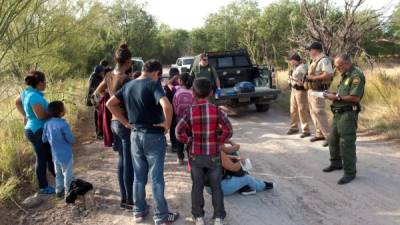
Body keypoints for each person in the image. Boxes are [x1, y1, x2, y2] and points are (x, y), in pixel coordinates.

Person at [107, 59, 179, 225]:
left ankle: (138, 212)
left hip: (135, 135)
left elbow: (110, 104)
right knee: (156, 178)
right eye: (158, 76)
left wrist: (125, 122)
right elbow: (167, 106)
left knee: (139, 176)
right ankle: (161, 216)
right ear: (156, 73)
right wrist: (167, 125)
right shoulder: (153, 85)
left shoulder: (129, 85)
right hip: (153, 136)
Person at [176, 78, 233, 225]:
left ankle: (199, 217)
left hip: (196, 155)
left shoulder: (189, 111)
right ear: (211, 93)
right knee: (216, 186)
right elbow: (228, 130)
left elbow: (178, 131)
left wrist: (188, 141)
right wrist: (219, 141)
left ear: (193, 93)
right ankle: (219, 217)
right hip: (213, 155)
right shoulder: (217, 110)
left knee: (197, 185)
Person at [95, 44, 134, 210]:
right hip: (124, 122)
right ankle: (130, 200)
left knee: (121, 160)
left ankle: (124, 199)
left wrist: (102, 107)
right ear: (129, 61)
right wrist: (126, 120)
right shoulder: (127, 80)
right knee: (129, 163)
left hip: (113, 122)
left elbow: (96, 94)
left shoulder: (109, 75)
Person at [323, 54, 365, 185]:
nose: (337, 68)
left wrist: (336, 98)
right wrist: (332, 94)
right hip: (338, 113)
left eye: (339, 66)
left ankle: (350, 172)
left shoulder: (356, 75)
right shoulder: (344, 74)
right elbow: (342, 93)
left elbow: (355, 97)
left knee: (346, 143)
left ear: (346, 63)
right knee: (332, 139)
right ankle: (336, 163)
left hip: (348, 115)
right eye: (336, 66)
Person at [15, 71, 56, 194]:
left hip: (34, 129)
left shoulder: (27, 92)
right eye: (45, 82)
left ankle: (60, 179)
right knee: (42, 158)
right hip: (37, 130)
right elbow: (41, 116)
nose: (46, 84)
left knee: (48, 156)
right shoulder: (34, 96)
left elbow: (17, 102)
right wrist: (55, 112)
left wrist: (26, 116)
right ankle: (43, 187)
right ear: (40, 83)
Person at [42, 101, 76, 198]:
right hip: (66, 154)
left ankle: (58, 190)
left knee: (58, 173)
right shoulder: (63, 124)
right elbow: (71, 139)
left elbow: (43, 139)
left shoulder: (47, 124)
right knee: (67, 174)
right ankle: (68, 193)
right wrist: (73, 141)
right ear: (61, 113)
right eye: (63, 108)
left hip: (55, 155)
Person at [305, 42, 334, 147]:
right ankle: (319, 134)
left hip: (318, 90)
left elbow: (329, 74)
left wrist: (313, 78)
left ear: (315, 50)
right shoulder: (314, 60)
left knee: (319, 112)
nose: (309, 52)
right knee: (313, 112)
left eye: (310, 50)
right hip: (311, 90)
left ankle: (329, 137)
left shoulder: (324, 60)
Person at [286, 53, 311, 138]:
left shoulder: (303, 67)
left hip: (300, 91)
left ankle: (306, 130)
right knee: (293, 109)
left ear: (295, 60)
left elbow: (308, 76)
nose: (290, 62)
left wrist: (303, 82)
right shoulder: (294, 68)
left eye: (291, 60)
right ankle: (294, 127)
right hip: (294, 90)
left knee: (302, 110)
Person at [172, 72, 193, 165]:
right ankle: (190, 158)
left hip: (179, 119)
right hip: (191, 119)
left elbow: (174, 106)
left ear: (181, 81)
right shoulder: (193, 92)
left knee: (179, 138)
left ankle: (180, 158)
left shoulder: (177, 92)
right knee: (190, 138)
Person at [86, 64, 106, 139]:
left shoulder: (93, 77)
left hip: (95, 100)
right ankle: (99, 133)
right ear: (100, 72)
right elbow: (97, 92)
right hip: (97, 100)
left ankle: (99, 132)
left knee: (98, 116)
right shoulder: (96, 79)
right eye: (102, 71)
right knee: (99, 117)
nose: (103, 73)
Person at [165, 68, 180, 152]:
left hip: (173, 108)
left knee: (174, 127)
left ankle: (175, 145)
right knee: (174, 127)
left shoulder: (175, 83)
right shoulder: (171, 83)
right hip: (173, 108)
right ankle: (175, 145)